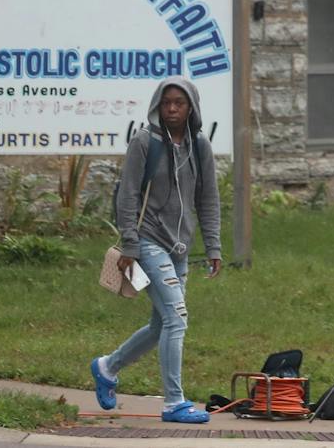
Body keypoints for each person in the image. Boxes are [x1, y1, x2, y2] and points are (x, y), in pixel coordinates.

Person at [90, 76, 222, 423]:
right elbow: (128, 195)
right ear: (157, 106)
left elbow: (207, 199)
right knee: (177, 319)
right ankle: (173, 402)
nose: (173, 108)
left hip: (179, 246)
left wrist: (213, 246)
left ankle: (107, 367)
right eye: (167, 103)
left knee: (160, 324)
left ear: (191, 106)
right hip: (148, 243)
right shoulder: (144, 141)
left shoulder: (199, 145)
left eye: (179, 102)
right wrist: (130, 244)